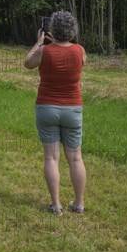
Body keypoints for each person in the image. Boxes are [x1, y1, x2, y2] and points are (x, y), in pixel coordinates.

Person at [24, 11, 87, 215]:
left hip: (47, 107)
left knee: (51, 157)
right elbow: (81, 64)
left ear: (51, 30)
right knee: (75, 158)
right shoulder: (80, 51)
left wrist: (39, 42)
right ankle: (78, 204)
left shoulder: (45, 51)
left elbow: (27, 63)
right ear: (73, 30)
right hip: (73, 108)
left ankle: (56, 205)